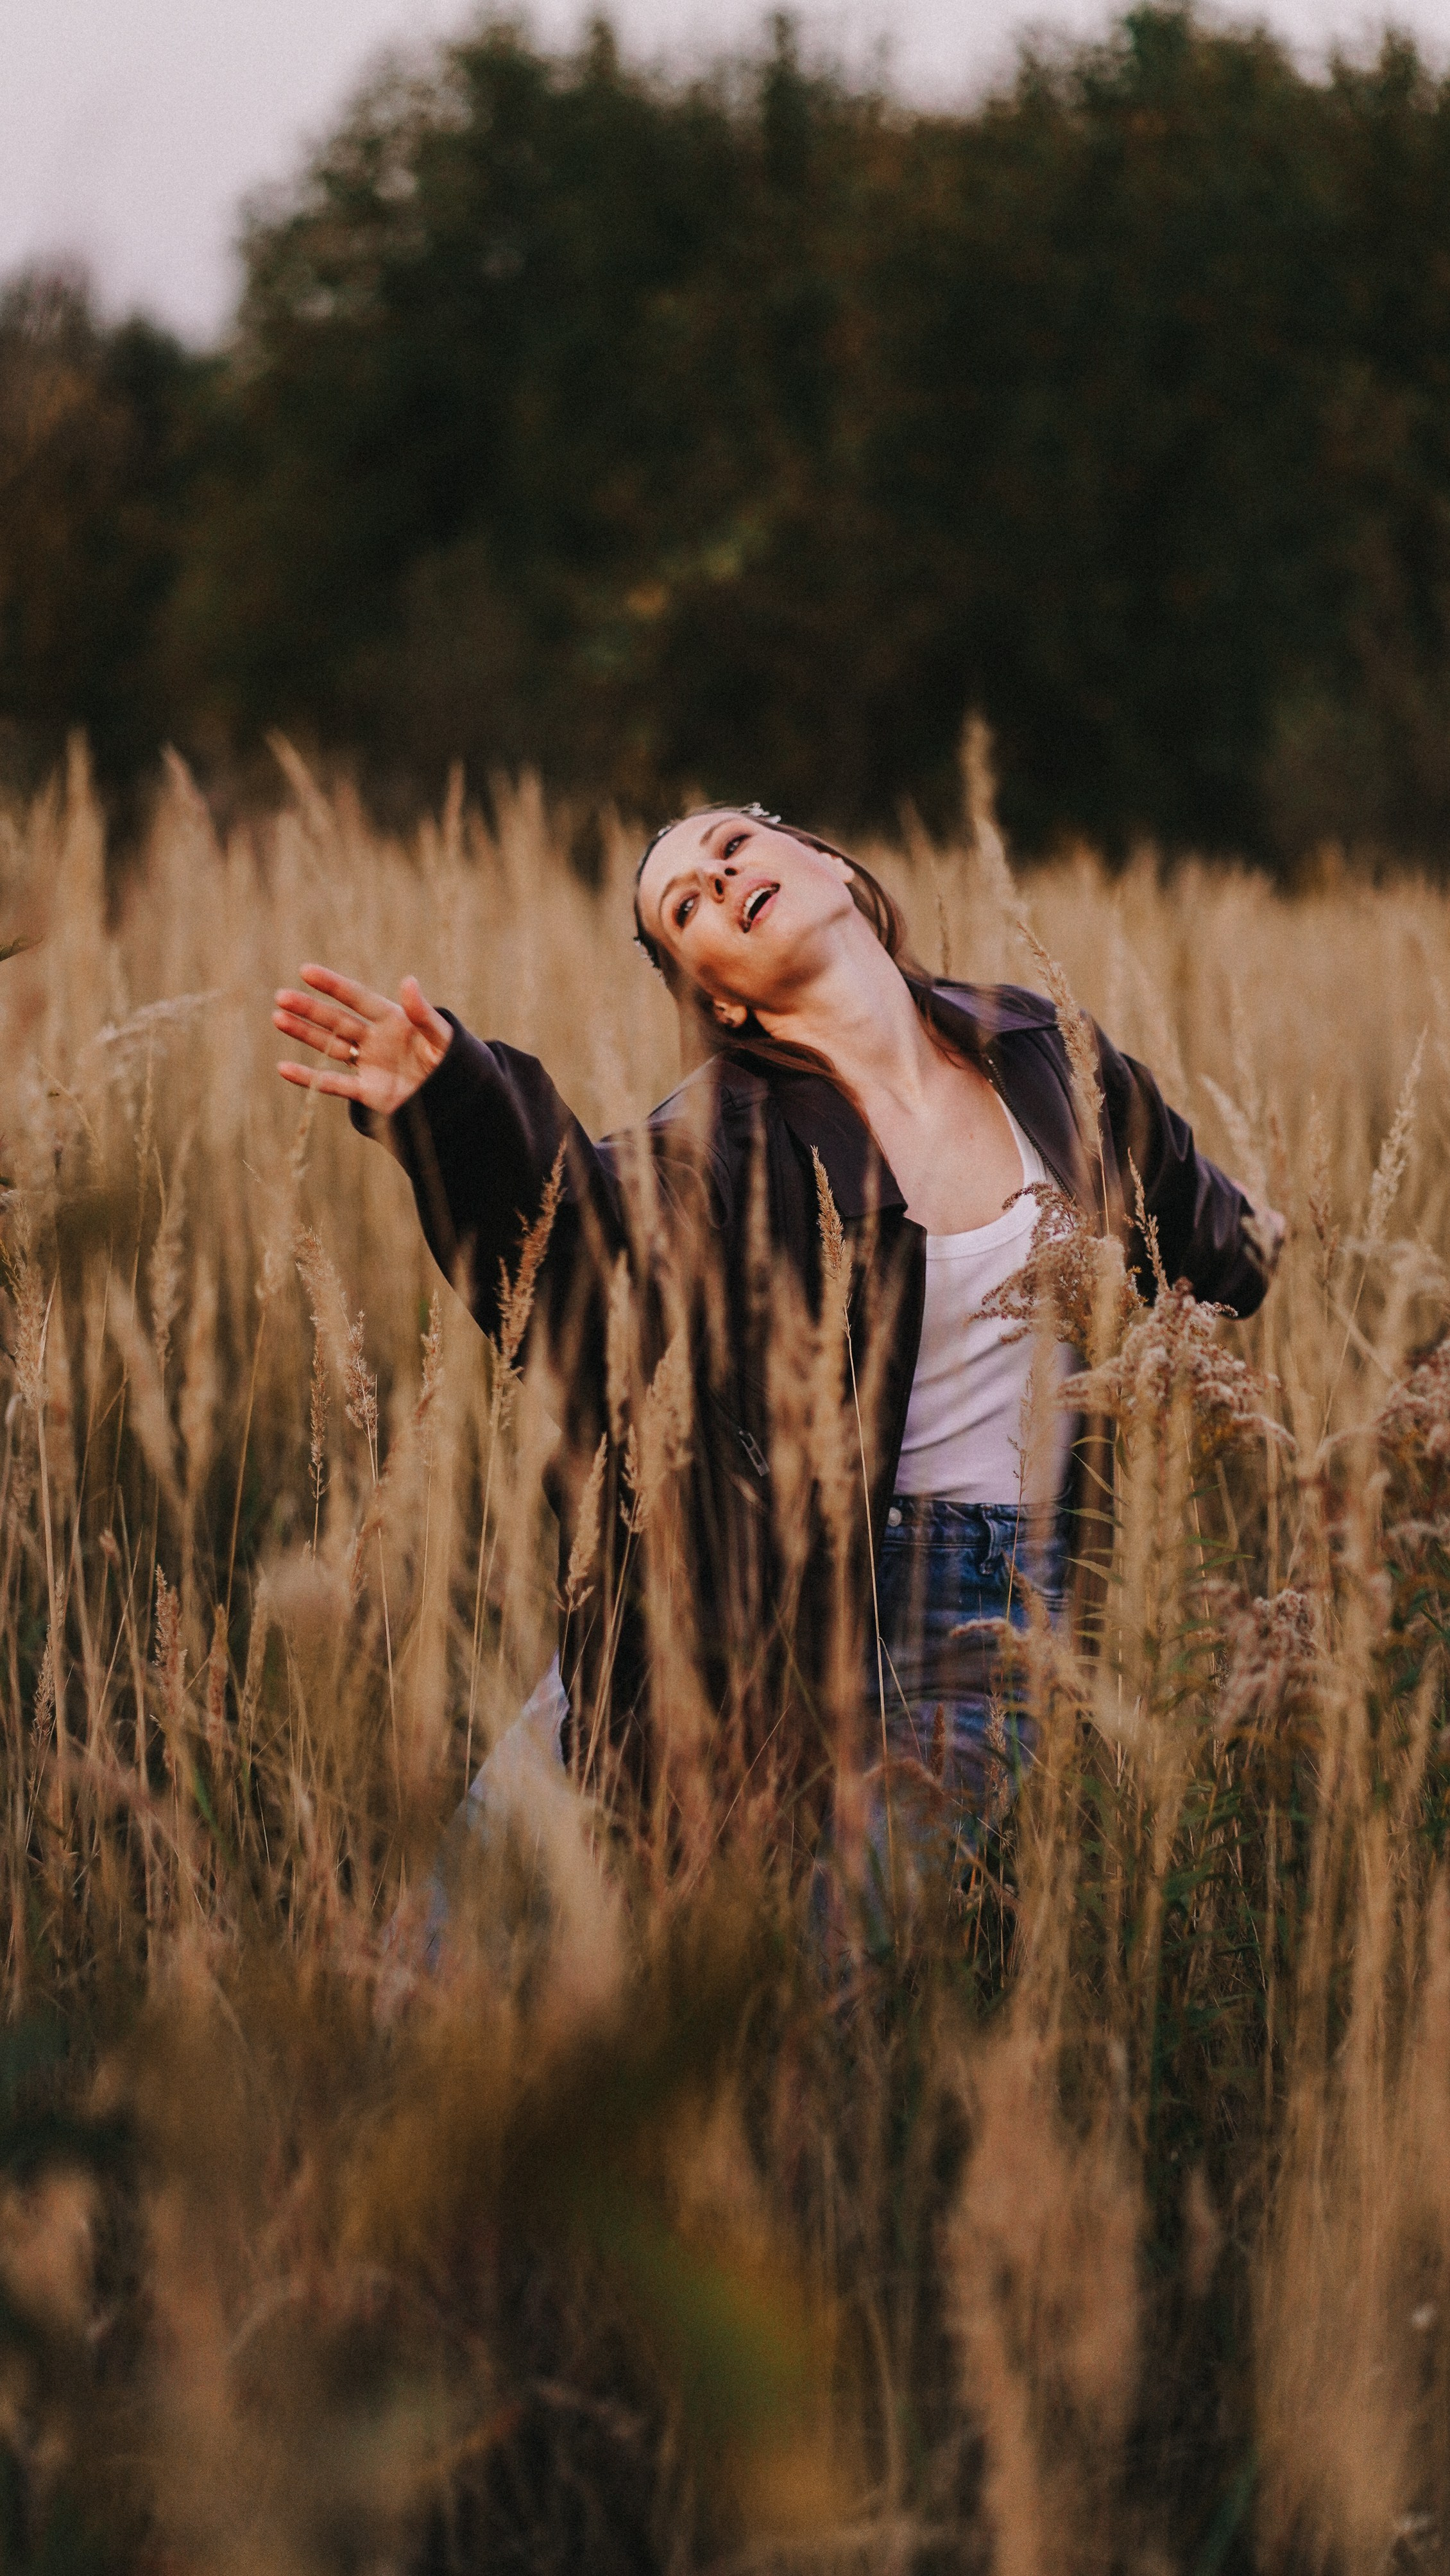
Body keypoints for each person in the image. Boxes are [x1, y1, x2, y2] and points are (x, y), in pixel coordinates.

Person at [273, 804, 1282, 1892]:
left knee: (838, 1964)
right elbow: (582, 1248)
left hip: (979, 1621)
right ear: (718, 992)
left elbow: (1189, 1212)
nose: (716, 883)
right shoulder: (726, 1135)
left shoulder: (1040, 1049)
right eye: (684, 907)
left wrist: (1260, 1245)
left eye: (731, 849)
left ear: (829, 863)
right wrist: (459, 1111)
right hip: (748, 1590)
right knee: (460, 1943)